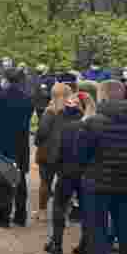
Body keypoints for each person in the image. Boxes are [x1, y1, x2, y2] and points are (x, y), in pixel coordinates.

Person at [69, 80, 127, 254]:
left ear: (102, 96)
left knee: (98, 232)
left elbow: (79, 156)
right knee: (124, 231)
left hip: (97, 185)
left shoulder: (92, 123)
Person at [0, 67, 35, 227]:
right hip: (21, 142)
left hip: (2, 140)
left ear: (6, 80)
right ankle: (21, 215)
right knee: (20, 178)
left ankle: (3, 216)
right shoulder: (27, 98)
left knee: (3, 178)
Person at [50, 91, 95, 254]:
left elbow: (58, 152)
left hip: (67, 172)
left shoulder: (68, 127)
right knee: (87, 210)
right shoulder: (95, 126)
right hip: (87, 174)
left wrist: (58, 168)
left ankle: (56, 243)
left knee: (59, 205)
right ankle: (85, 245)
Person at [35, 83, 81, 229]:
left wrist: (38, 142)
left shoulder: (49, 112)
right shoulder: (77, 112)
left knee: (45, 183)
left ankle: (42, 211)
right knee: (65, 185)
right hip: (68, 153)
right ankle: (64, 214)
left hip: (48, 152)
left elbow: (42, 132)